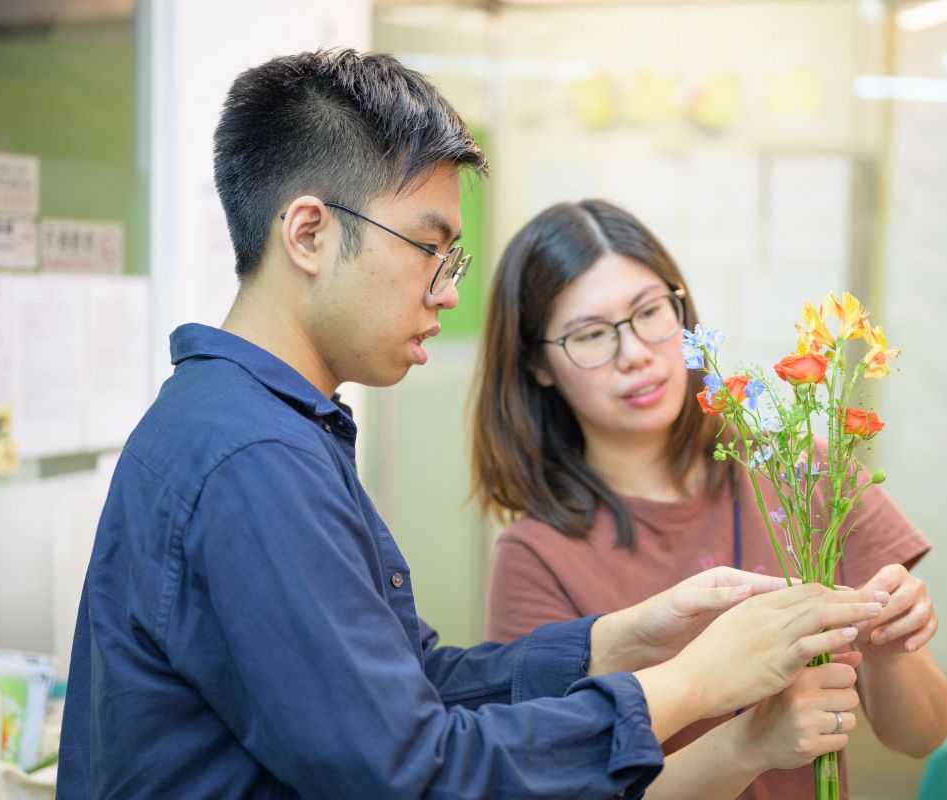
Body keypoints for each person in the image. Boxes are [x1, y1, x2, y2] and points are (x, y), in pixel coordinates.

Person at [57, 51, 887, 799]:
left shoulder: (271, 427)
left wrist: (623, 639)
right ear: (309, 233)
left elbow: (412, 684)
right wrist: (694, 683)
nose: (448, 292)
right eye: (431, 250)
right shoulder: (250, 459)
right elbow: (412, 773)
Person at [473, 199, 947, 799]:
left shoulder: (801, 469)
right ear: (537, 365)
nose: (636, 353)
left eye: (650, 312)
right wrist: (748, 746)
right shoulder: (535, 555)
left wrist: (888, 650)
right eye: (591, 334)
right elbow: (552, 787)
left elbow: (922, 734)